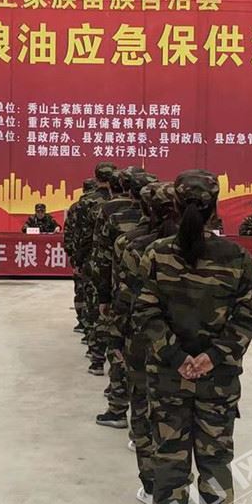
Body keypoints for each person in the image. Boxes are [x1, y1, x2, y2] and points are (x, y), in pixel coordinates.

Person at [136, 170, 252, 504]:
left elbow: (144, 313)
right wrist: (213, 357)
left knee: (170, 460)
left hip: (168, 378)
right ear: (215, 206)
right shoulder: (236, 257)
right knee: (215, 461)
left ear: (175, 205)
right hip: (218, 382)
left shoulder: (157, 254)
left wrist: (177, 358)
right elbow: (250, 318)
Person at [111, 182, 178, 504]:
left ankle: (153, 484)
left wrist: (116, 337)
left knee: (142, 403)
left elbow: (124, 298)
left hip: (143, 338)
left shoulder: (134, 245)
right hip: (194, 349)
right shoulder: (217, 250)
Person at [93, 168, 156, 429]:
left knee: (120, 349)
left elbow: (102, 257)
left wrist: (104, 296)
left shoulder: (113, 215)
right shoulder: (170, 233)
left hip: (126, 296)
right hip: (159, 308)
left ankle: (118, 408)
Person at [72, 164, 117, 375]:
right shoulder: (124, 205)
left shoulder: (86, 202)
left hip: (96, 260)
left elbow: (82, 234)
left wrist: (78, 259)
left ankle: (96, 355)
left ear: (96, 177)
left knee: (96, 304)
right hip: (126, 263)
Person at [64, 178, 98, 337]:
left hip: (81, 255)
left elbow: (69, 233)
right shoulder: (105, 204)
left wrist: (73, 255)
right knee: (95, 292)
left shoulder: (76, 207)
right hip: (98, 255)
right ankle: (93, 326)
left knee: (81, 289)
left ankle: (83, 322)